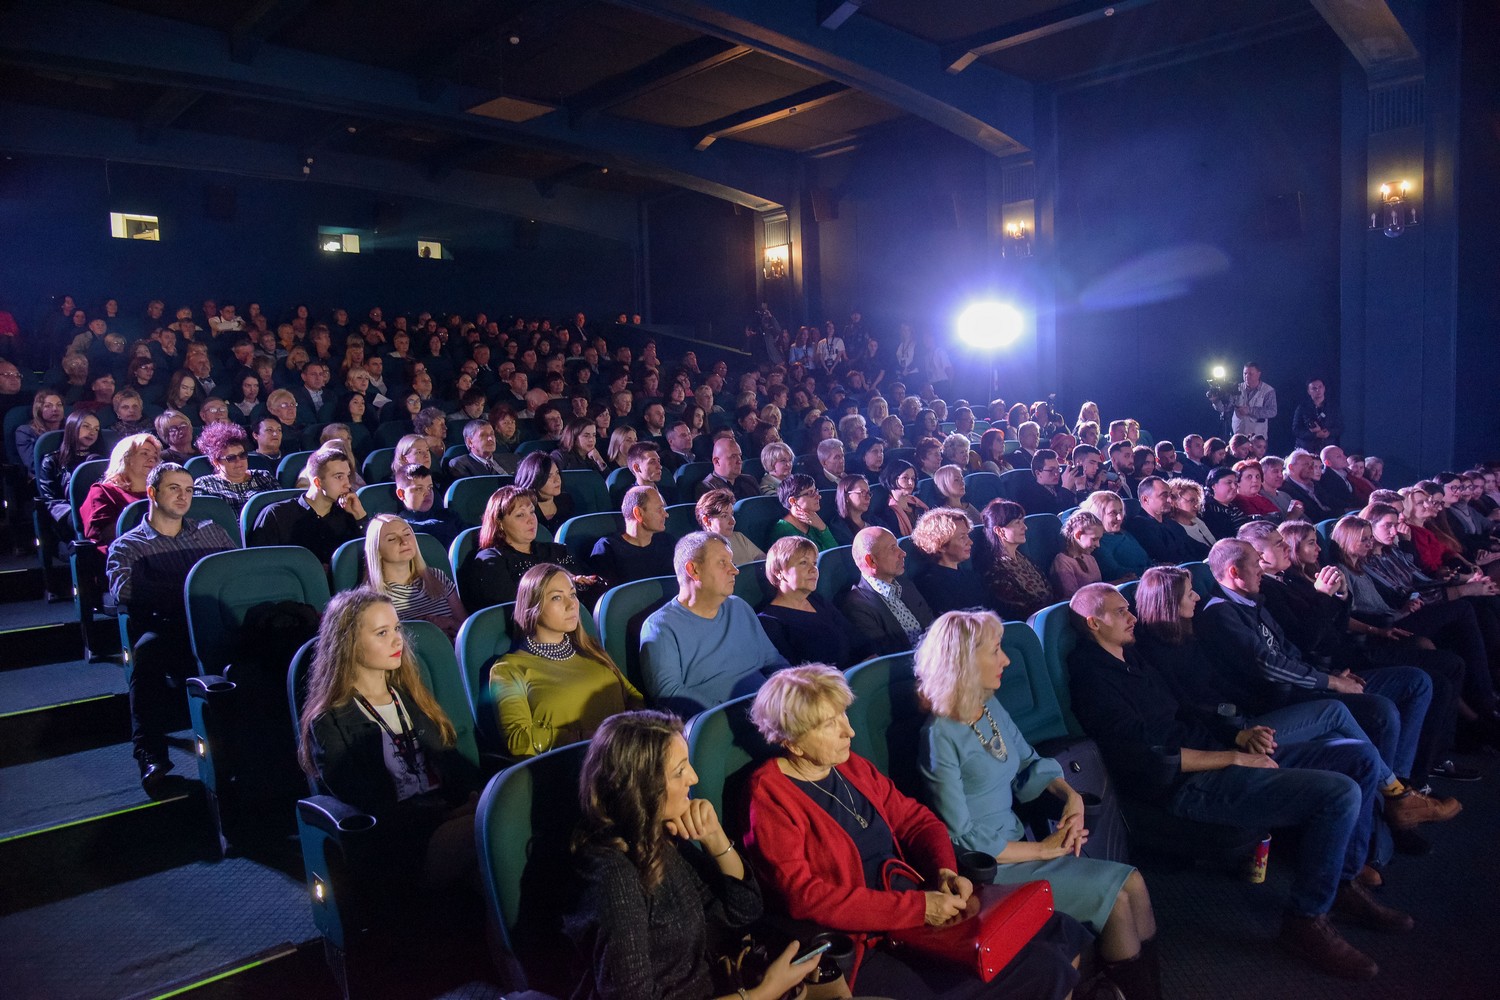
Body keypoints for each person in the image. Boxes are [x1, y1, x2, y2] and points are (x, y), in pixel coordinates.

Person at [1066, 583, 1412, 980]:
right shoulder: (1092, 678)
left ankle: (1344, 883)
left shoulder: (1132, 657)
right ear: (1094, 623)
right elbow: (1146, 758)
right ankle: (1305, 920)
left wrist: (1238, 735)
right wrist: (1234, 756)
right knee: (1340, 793)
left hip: (1218, 753)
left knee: (1359, 758)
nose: (1133, 616)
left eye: (1130, 608)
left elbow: (1186, 710)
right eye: (1120, 611)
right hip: (1188, 785)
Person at [743, 665, 1088, 999]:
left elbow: (918, 821)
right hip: (870, 939)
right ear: (793, 742)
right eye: (830, 724)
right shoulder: (770, 794)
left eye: (844, 716)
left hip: (919, 905)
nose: (849, 731)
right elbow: (805, 896)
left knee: (1060, 928)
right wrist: (918, 909)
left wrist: (944, 870)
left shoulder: (850, 765)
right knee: (1044, 966)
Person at [915, 609, 1159, 998]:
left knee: (1133, 882)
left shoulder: (987, 706)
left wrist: (1071, 796)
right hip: (993, 870)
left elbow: (1029, 761)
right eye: (996, 651)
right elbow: (961, 837)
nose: (1006, 660)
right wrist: (1044, 849)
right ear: (963, 661)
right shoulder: (939, 735)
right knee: (1120, 894)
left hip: (1023, 847)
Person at [564, 710, 814, 1000]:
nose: (693, 777)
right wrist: (766, 992)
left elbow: (744, 912)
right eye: (679, 771)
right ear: (640, 788)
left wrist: (715, 839)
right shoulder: (614, 876)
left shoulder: (659, 838)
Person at [298, 589, 479, 890]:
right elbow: (371, 805)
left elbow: (452, 764)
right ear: (348, 643)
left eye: (396, 628)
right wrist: (449, 814)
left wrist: (475, 796)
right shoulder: (329, 721)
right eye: (382, 633)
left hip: (450, 818)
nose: (397, 639)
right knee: (495, 829)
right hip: (401, 843)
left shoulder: (409, 696)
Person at [106, 463, 236, 792]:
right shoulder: (128, 546)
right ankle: (151, 755)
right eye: (174, 489)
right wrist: (192, 589)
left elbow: (236, 575)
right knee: (146, 656)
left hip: (213, 620)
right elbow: (126, 591)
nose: (183, 496)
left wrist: (170, 586)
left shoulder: (212, 531)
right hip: (167, 626)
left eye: (189, 489)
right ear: (152, 493)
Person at [488, 564, 643, 758]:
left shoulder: (591, 649)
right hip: (571, 766)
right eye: (556, 597)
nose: (571, 605)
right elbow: (518, 740)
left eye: (572, 594)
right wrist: (584, 737)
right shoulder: (508, 669)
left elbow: (634, 697)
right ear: (532, 607)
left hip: (626, 754)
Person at [639, 531, 789, 715]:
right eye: (722, 562)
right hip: (721, 727)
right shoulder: (660, 626)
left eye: (732, 562)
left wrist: (792, 694)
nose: (735, 570)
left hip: (771, 714)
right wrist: (734, 717)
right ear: (693, 570)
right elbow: (669, 693)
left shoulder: (739, 607)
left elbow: (773, 662)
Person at [459, 485, 596, 610]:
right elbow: (515, 608)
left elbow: (585, 593)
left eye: (532, 512)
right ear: (500, 523)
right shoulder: (491, 561)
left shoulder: (557, 551)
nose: (531, 519)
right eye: (520, 515)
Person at [758, 536, 867, 669]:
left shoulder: (817, 600)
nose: (813, 569)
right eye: (803, 562)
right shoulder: (769, 621)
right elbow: (793, 674)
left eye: (814, 563)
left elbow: (856, 640)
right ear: (779, 572)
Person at [251, 444, 369, 564]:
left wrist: (360, 516)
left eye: (347, 476)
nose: (348, 484)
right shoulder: (277, 515)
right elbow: (261, 566)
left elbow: (370, 557)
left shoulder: (348, 512)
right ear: (317, 482)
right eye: (339, 477)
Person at [363, 514, 466, 640]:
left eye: (407, 534)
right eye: (392, 539)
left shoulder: (437, 577)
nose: (404, 541)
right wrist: (425, 630)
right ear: (376, 550)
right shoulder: (372, 598)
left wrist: (450, 623)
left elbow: (466, 628)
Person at [839, 526, 935, 655]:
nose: (903, 553)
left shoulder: (906, 585)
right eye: (892, 548)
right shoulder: (857, 606)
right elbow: (886, 656)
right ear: (871, 561)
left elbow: (930, 623)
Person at [80, 432, 162, 556]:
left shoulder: (160, 492)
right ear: (126, 458)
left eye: (155, 456)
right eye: (144, 453)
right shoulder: (103, 492)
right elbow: (109, 537)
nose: (152, 459)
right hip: (124, 557)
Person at [980, 499, 1055, 620]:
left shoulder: (1024, 559)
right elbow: (1017, 610)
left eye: (1023, 521)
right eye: (1017, 523)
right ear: (999, 531)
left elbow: (1048, 590)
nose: (1025, 527)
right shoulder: (994, 570)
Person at [590, 485, 677, 587]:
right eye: (659, 509)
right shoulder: (608, 548)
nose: (666, 514)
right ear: (638, 513)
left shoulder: (667, 542)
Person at [908, 507, 990, 615]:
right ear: (941, 545)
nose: (970, 542)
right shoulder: (929, 584)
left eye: (967, 535)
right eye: (962, 537)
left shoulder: (972, 576)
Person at [37, 409, 106, 534]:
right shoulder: (52, 461)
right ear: (73, 427)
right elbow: (51, 501)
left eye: (96, 429)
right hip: (71, 518)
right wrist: (74, 517)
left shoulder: (101, 460)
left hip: (101, 511)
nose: (92, 432)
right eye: (86, 426)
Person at [192, 421, 279, 514]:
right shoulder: (205, 484)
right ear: (216, 462)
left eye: (242, 455)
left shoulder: (264, 477)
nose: (239, 461)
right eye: (231, 458)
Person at [1124, 476, 1207, 564]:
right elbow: (1165, 557)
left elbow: (1195, 546)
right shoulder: (1139, 526)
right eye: (1164, 496)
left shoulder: (1172, 524)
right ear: (1145, 499)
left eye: (1170, 495)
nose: (1170, 500)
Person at [392, 462, 463, 546]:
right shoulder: (401, 527)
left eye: (430, 487)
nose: (427, 493)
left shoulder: (450, 516)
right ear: (401, 494)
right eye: (419, 489)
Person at [694, 488, 764, 564]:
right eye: (724, 516)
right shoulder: (701, 550)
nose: (733, 522)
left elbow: (763, 560)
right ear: (706, 521)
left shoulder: (739, 537)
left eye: (732, 514)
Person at [514, 451, 574, 538]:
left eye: (557, 473)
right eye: (549, 476)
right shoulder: (524, 508)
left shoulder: (566, 501)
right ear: (535, 479)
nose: (557, 480)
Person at [1209, 362, 1277, 439]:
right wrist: (1216, 401)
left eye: (1251, 374)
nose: (1247, 376)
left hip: (1258, 437)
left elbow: (1272, 411)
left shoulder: (1268, 390)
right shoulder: (1236, 388)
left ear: (1258, 374)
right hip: (1238, 436)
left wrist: (1250, 410)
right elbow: (1225, 409)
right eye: (1245, 373)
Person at [770, 473, 837, 551]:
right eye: (810, 493)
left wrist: (822, 527)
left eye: (816, 491)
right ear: (793, 501)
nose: (819, 496)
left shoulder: (813, 520)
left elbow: (835, 553)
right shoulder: (783, 529)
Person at [1051, 509, 1105, 600]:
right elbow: (1071, 597)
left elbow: (1098, 587)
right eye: (1094, 539)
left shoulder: (1090, 559)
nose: (1098, 545)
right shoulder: (1062, 561)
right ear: (1078, 535)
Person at [16, 389, 65, 473]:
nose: (55, 409)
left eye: (59, 405)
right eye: (48, 406)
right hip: (44, 478)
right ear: (39, 410)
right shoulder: (25, 432)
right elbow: (33, 465)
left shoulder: (70, 428)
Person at [696, 434, 758, 500]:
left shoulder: (750, 481)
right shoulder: (707, 488)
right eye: (733, 456)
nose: (740, 461)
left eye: (740, 456)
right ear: (717, 462)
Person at [1292, 377, 1340, 451]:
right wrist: (1315, 435)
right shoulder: (1302, 408)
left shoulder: (1333, 407)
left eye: (1320, 387)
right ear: (1309, 391)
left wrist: (1328, 433)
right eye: (1314, 388)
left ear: (1324, 388)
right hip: (1307, 448)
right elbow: (1296, 430)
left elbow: (1340, 427)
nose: (1318, 390)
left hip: (1327, 448)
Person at [828, 473, 873, 547]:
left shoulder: (874, 520)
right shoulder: (839, 527)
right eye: (862, 493)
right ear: (846, 497)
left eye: (868, 493)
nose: (868, 497)